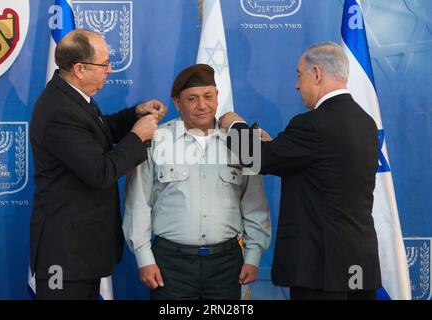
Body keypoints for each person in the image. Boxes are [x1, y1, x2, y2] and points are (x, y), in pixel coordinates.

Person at [220, 42, 382, 300]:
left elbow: (256, 158)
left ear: (316, 73)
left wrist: (234, 125)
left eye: (299, 74)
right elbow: (323, 169)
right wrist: (278, 148)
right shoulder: (365, 122)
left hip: (322, 269)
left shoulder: (313, 124)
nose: (296, 85)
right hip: (358, 264)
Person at [29, 29, 166, 299]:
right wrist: (138, 136)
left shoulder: (71, 96)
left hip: (81, 250)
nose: (110, 70)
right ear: (80, 69)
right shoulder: (59, 110)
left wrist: (133, 114)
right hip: (66, 256)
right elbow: (100, 172)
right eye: (104, 64)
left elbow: (96, 134)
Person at [122, 64, 271, 300]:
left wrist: (253, 255)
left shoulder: (242, 143)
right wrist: (144, 258)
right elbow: (138, 203)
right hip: (170, 265)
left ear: (217, 96)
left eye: (208, 96)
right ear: (177, 102)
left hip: (226, 265)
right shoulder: (156, 140)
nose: (202, 105)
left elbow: (255, 205)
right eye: (192, 98)